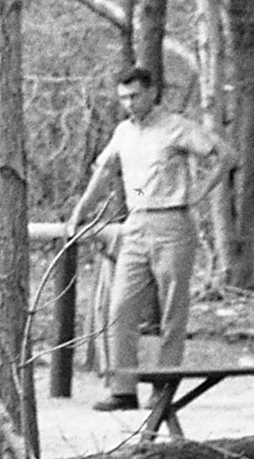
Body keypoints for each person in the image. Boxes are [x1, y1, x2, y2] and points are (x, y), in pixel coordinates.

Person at [67, 65, 229, 412]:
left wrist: (199, 192)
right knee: (120, 307)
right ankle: (123, 389)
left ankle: (165, 387)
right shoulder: (124, 132)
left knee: (172, 310)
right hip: (136, 223)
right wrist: (81, 209)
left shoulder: (176, 127)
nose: (129, 102)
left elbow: (224, 156)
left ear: (152, 92)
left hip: (173, 223)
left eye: (135, 95)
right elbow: (107, 170)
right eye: (123, 97)